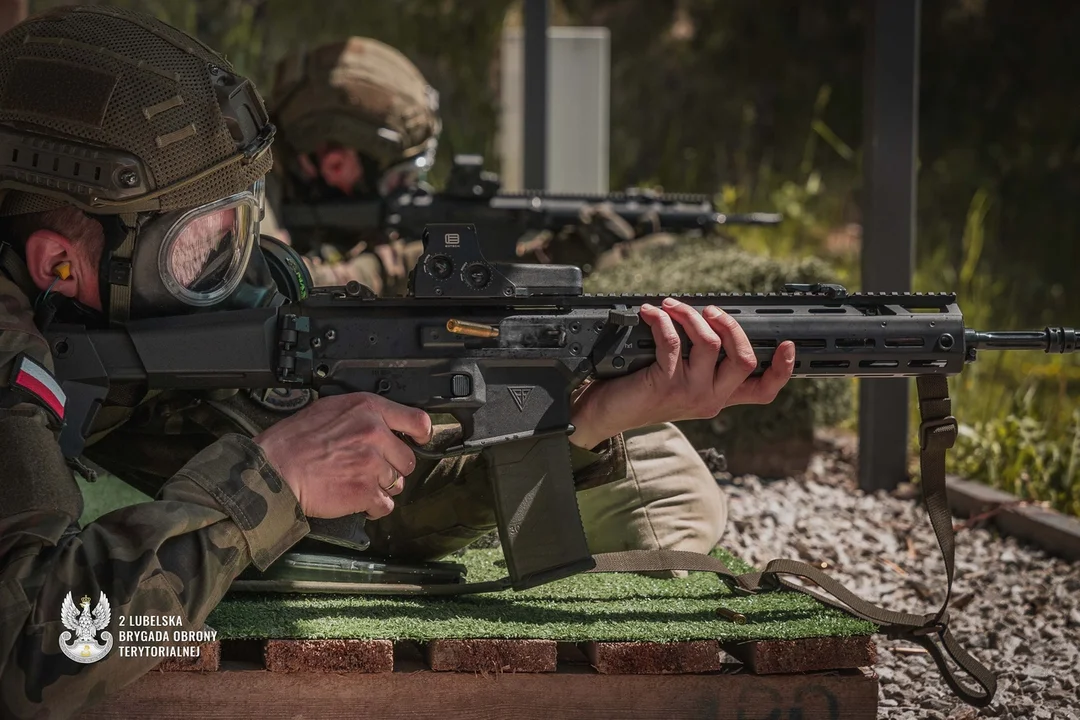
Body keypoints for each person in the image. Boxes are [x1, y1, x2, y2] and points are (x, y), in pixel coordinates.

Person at [0, 8, 795, 718]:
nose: (235, 272)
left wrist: (584, 425)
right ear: (57, 262)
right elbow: (33, 661)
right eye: (198, 247)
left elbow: (367, 527)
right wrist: (267, 479)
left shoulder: (106, 326)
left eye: (237, 226)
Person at [263, 37, 745, 567]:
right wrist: (412, 266)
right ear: (335, 162)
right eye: (402, 176)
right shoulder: (247, 209)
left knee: (654, 461)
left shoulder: (294, 197)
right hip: (309, 454)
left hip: (401, 427)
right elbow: (295, 284)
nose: (409, 189)